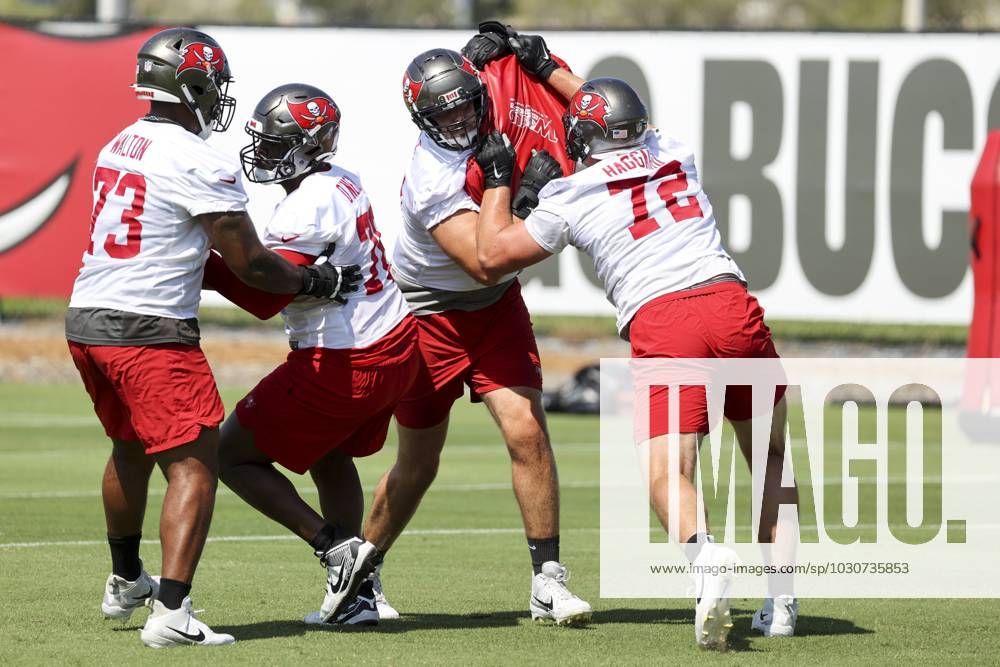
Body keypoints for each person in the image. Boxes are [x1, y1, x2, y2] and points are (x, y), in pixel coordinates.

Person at [471, 77, 800, 650]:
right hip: (732, 305)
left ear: (586, 136)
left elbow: (491, 257)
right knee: (770, 460)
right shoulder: (675, 151)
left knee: (667, 472)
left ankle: (705, 557)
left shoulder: (572, 196)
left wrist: (502, 184)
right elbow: (614, 118)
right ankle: (783, 602)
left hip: (667, 320)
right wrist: (547, 65)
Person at [65, 28, 358, 648]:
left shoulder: (123, 142)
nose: (218, 98)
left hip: (88, 315)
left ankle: (125, 580)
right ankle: (171, 613)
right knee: (196, 463)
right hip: (149, 329)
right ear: (192, 84)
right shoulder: (198, 157)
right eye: (213, 85)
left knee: (129, 447)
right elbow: (251, 262)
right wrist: (317, 278)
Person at [360, 27, 592, 625]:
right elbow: (485, 260)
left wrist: (523, 58)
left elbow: (600, 117)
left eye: (468, 100)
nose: (461, 116)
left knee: (527, 431)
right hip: (427, 311)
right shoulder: (432, 175)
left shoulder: (492, 111)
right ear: (421, 119)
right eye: (446, 110)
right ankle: (362, 575)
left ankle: (548, 580)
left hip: (493, 309)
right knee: (419, 461)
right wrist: (521, 196)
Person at [207, 83, 419, 627]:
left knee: (227, 454)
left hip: (346, 359)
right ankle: (360, 594)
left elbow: (263, 294)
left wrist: (199, 262)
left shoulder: (308, 202)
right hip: (393, 344)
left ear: (312, 143)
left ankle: (338, 551)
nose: (266, 152)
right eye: (266, 141)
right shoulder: (340, 181)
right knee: (328, 455)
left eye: (280, 143)